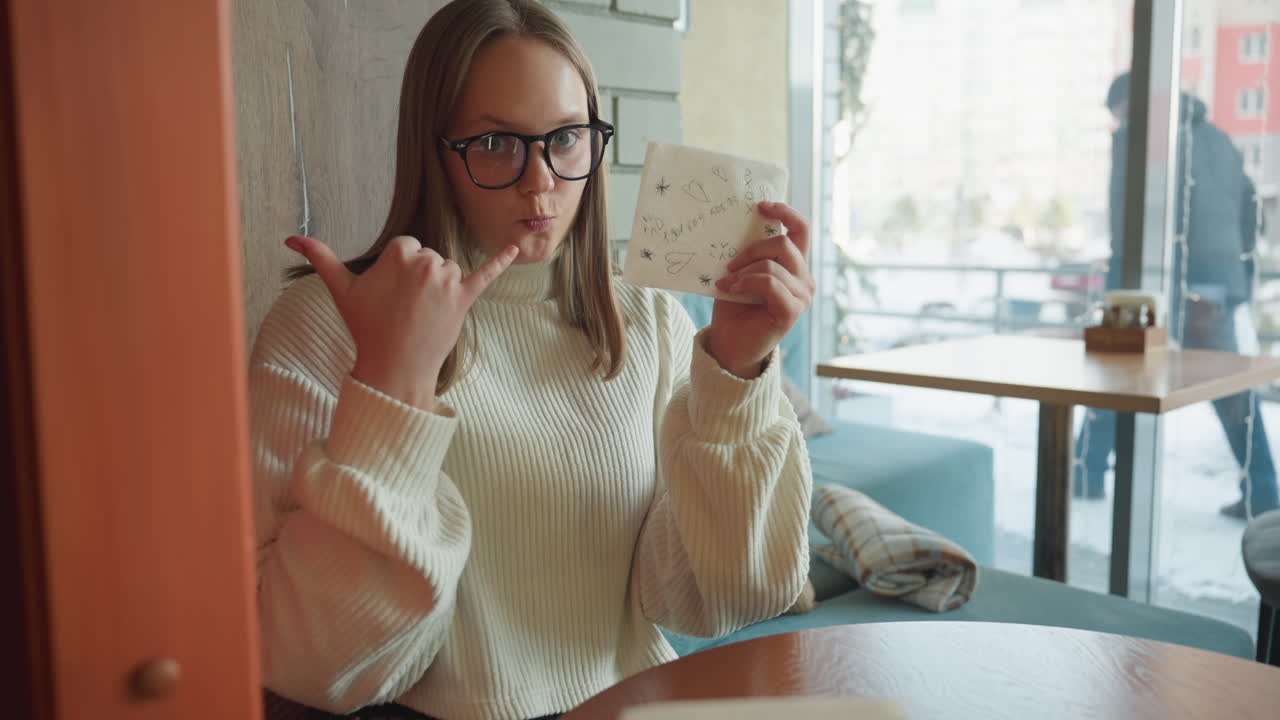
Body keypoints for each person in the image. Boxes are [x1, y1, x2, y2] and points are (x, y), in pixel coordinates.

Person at [249, 2, 815, 719]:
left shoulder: (647, 324)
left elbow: (716, 598)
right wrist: (392, 385)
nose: (542, 182)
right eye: (495, 143)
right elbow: (308, 663)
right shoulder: (328, 325)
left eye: (567, 138)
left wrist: (735, 373)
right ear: (435, 151)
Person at [1074, 72, 1279, 519]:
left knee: (1112, 375)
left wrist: (1119, 284)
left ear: (1131, 103)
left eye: (1120, 112)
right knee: (1231, 390)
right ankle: (1264, 492)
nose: (1119, 121)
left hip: (1151, 280)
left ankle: (1085, 473)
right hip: (1215, 282)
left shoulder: (1140, 135)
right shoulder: (1219, 138)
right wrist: (1235, 273)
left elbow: (1125, 213)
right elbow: (1250, 209)